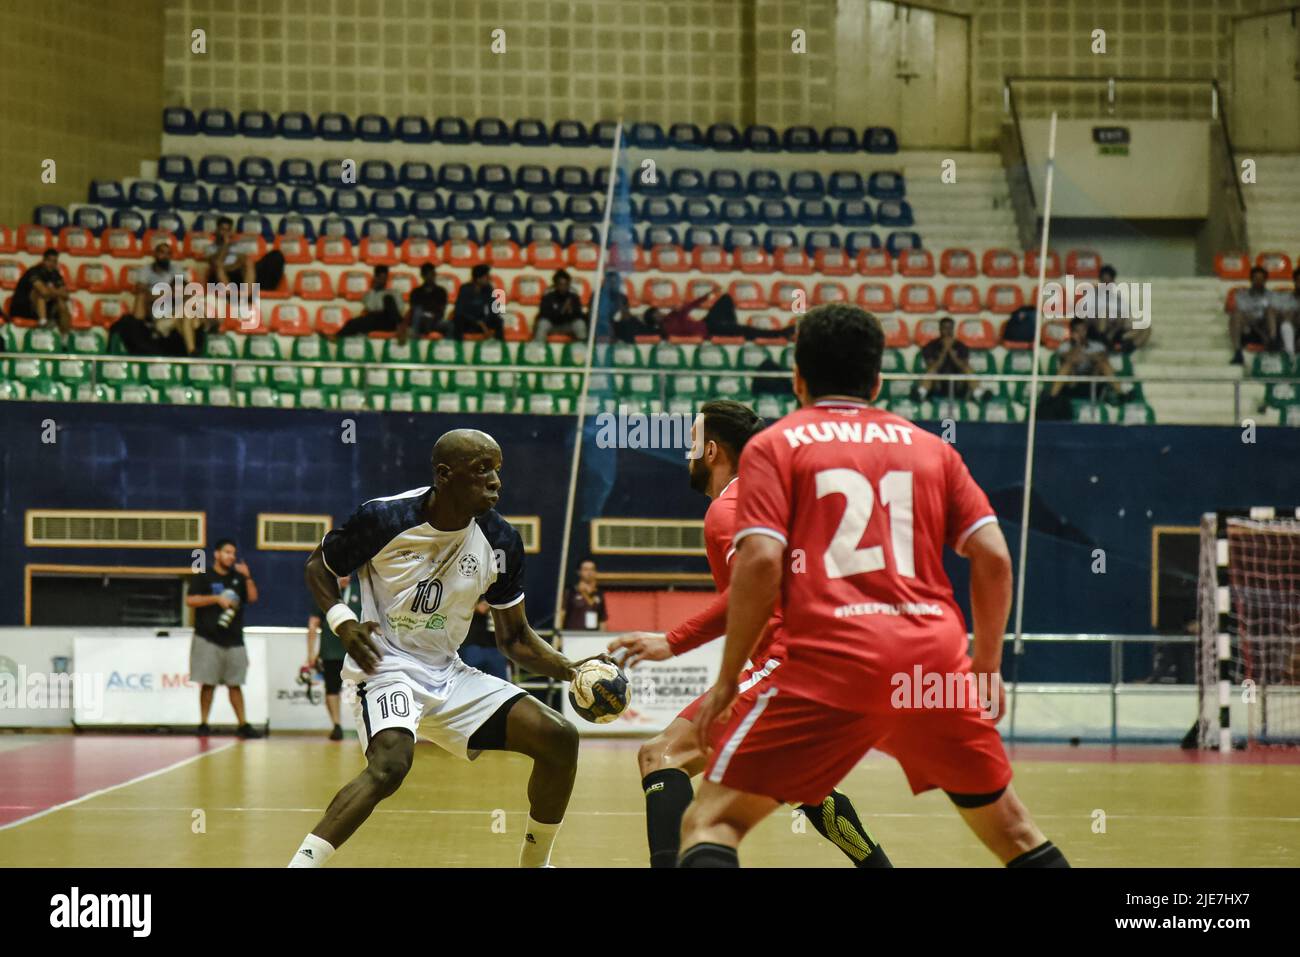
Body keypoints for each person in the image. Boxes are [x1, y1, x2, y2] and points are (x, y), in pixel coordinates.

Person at [678, 304, 1068, 869]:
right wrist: (984, 666)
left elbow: (761, 564)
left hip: (830, 664)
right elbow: (994, 559)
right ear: (878, 380)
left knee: (712, 820)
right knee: (1015, 831)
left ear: (798, 379)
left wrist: (724, 681)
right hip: (932, 669)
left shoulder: (774, 447)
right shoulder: (932, 448)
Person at [289, 429, 604, 868]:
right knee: (391, 766)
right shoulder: (385, 519)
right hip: (386, 665)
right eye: (481, 470)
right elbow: (318, 567)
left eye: (497, 470)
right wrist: (342, 622)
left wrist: (572, 669)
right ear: (444, 475)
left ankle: (536, 865)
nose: (495, 481)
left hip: (449, 673)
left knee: (559, 737)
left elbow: (514, 638)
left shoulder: (502, 542)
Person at [609, 400, 891, 868]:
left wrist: (672, 641)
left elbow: (753, 589)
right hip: (837, 660)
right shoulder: (772, 499)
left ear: (713, 451)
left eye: (693, 444)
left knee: (661, 757)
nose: (686, 454)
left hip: (790, 663)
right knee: (806, 784)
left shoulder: (731, 509)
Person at [186, 539, 262, 739]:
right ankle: (203, 723)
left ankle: (243, 724)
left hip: (234, 639)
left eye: (233, 553)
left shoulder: (238, 577)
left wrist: (248, 577)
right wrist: (216, 599)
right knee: (207, 684)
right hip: (207, 638)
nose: (231, 556)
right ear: (217, 554)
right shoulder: (203, 576)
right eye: (227, 552)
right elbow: (190, 600)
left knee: (235, 684)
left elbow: (253, 598)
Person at [306, 573, 361, 741]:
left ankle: (363, 725)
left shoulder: (360, 592)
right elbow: (313, 624)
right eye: (340, 575)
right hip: (330, 651)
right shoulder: (325, 594)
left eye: (347, 574)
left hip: (355, 652)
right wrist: (310, 653)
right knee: (331, 688)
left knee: (357, 690)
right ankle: (336, 725)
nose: (345, 578)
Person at [914, 316, 988, 403]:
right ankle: (921, 393)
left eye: (950, 328)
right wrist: (944, 351)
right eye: (945, 328)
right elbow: (931, 366)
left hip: (958, 383)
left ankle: (978, 394)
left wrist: (953, 354)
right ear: (940, 329)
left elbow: (964, 366)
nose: (947, 331)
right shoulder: (930, 346)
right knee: (931, 369)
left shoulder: (961, 346)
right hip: (937, 383)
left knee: (968, 369)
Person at [1091, 265, 1149, 354]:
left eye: (1109, 282)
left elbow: (1124, 318)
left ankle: (1125, 348)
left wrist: (1116, 325)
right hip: (1098, 330)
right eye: (1104, 282)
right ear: (1100, 281)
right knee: (1104, 312)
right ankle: (1104, 344)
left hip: (1115, 330)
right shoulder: (1092, 296)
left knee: (1146, 327)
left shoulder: (1118, 299)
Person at [10, 248, 71, 334]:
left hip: (44, 308)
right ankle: (43, 324)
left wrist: (53, 291)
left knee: (61, 302)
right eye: (49, 261)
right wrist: (56, 291)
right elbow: (43, 291)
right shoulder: (34, 271)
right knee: (39, 293)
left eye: (55, 261)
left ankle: (64, 340)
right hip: (24, 308)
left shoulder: (55, 274)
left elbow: (66, 295)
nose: (52, 264)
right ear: (44, 260)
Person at [336, 265, 403, 337]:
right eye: (380, 278)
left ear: (387, 278)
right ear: (375, 278)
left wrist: (386, 308)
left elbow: (400, 308)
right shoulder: (368, 294)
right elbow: (369, 307)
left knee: (388, 298)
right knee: (352, 322)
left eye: (384, 278)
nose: (382, 280)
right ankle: (337, 337)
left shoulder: (395, 292)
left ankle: (400, 328)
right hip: (375, 320)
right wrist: (373, 289)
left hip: (391, 320)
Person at [1229, 266, 1277, 365]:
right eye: (1256, 278)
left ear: (1265, 280)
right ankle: (1238, 352)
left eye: (1261, 279)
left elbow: (1275, 312)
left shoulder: (1272, 295)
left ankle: (1273, 343)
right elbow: (1242, 311)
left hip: (1264, 326)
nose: (1259, 281)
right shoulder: (1241, 295)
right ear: (1251, 279)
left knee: (1270, 311)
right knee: (1236, 314)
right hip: (1247, 327)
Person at [459, 600, 510, 680]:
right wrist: (475, 607)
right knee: (468, 684)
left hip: (497, 647)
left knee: (499, 686)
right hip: (472, 645)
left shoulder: (501, 590)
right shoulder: (466, 589)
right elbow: (455, 606)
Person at [451, 263, 503, 340]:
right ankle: (458, 347)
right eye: (486, 276)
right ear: (478, 278)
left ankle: (499, 347)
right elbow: (459, 311)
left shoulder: (488, 289)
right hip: (469, 322)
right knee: (458, 320)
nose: (489, 279)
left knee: (498, 321)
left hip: (483, 321)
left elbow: (494, 311)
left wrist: (484, 322)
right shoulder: (465, 289)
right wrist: (477, 322)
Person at [533, 269, 587, 341]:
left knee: (580, 324)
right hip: (552, 325)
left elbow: (579, 314)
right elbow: (544, 314)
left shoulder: (573, 296)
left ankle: (583, 349)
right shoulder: (548, 296)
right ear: (555, 285)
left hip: (567, 325)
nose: (563, 287)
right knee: (542, 324)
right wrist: (562, 310)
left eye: (566, 284)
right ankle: (538, 349)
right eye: (561, 284)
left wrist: (571, 311)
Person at [401, 262, 449, 341]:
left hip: (435, 322)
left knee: (450, 325)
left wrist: (430, 317)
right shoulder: (416, 292)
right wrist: (426, 316)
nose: (430, 277)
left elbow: (441, 311)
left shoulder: (441, 291)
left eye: (432, 274)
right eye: (427, 274)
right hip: (420, 322)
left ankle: (448, 349)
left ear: (434, 275)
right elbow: (414, 310)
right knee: (417, 312)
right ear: (422, 276)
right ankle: (414, 343)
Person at [559, 559, 606, 631]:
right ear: (579, 572)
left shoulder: (599, 594)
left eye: (592, 569)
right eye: (585, 569)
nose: (589, 572)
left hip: (593, 635)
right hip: (572, 636)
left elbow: (602, 620)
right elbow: (561, 615)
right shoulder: (571, 592)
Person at [1268, 266, 1299, 360]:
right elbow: (1273, 311)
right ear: (1295, 282)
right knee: (1286, 324)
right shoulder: (1283, 297)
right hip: (1284, 328)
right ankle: (1273, 340)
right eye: (1299, 280)